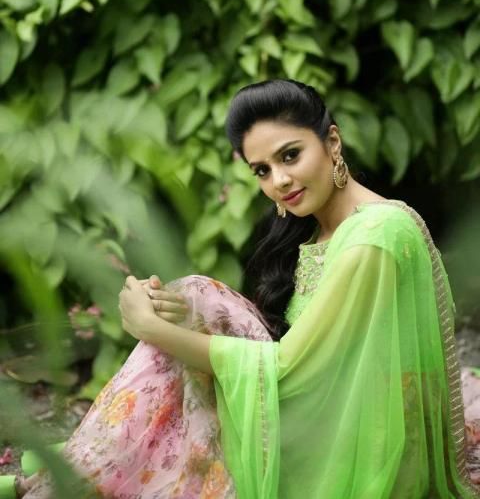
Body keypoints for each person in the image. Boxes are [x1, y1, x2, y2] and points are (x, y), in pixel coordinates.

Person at [20, 79, 480, 498]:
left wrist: (154, 330)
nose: (279, 181)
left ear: (332, 142)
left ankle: (88, 470)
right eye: (261, 170)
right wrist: (176, 313)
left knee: (190, 314)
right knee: (194, 296)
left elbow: (287, 368)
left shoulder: (376, 234)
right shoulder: (318, 229)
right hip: (315, 416)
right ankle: (94, 464)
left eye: (290, 156)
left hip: (345, 443)